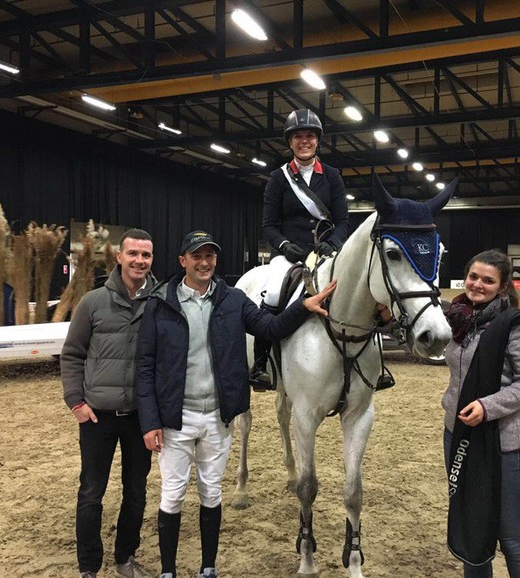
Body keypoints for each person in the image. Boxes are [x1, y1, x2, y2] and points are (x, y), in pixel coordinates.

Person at [135, 230, 336, 578]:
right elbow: (145, 366)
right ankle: (168, 570)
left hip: (216, 416)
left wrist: (302, 308)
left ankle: (208, 567)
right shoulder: (159, 303)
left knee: (212, 494)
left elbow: (269, 327)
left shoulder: (233, 299)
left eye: (210, 256)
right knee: (172, 496)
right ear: (183, 261)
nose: (204, 262)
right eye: (197, 256)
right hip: (174, 419)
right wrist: (150, 420)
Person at [441, 249, 520, 577]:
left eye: (488, 280)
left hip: (505, 443)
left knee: (513, 538)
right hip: (458, 435)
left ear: (503, 286)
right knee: (473, 530)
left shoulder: (514, 327)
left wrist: (487, 406)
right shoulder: (456, 318)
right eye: (473, 277)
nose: (477, 284)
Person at [61, 228, 157, 578]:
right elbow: (72, 355)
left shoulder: (159, 302)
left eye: (145, 255)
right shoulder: (92, 302)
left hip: (139, 418)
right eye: (133, 254)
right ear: (119, 257)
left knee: (136, 492)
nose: (139, 261)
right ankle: (89, 566)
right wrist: (76, 402)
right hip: (97, 417)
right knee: (91, 493)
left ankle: (125, 558)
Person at [250, 108, 350, 388]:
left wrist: (332, 243)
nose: (304, 141)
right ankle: (260, 364)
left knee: (357, 289)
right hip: (288, 254)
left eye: (309, 136)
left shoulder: (332, 176)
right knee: (271, 295)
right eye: (298, 136)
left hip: (325, 251)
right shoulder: (278, 178)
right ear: (290, 142)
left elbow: (343, 221)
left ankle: (369, 362)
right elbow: (268, 225)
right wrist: (283, 245)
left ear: (317, 140)